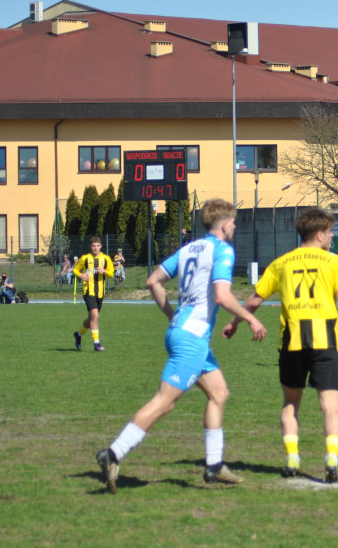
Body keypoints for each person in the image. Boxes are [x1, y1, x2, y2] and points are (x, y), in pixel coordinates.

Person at [96, 199, 266, 494]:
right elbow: (223, 296)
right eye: (234, 222)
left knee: (219, 393)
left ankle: (214, 466)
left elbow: (153, 281)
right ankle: (113, 454)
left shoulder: (189, 248)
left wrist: (173, 316)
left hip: (183, 332)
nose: (235, 227)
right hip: (192, 338)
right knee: (165, 402)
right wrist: (250, 319)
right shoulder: (222, 249)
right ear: (225, 224)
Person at [222, 208, 338, 483]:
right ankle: (331, 458)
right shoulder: (333, 262)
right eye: (330, 232)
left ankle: (292, 457)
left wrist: (236, 322)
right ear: (319, 234)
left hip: (291, 342)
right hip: (326, 342)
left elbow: (254, 300)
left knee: (290, 403)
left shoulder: (282, 263)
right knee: (330, 406)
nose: (331, 237)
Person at [72, 237, 115, 351]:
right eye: (93, 246)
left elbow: (111, 274)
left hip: (100, 293)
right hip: (88, 292)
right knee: (95, 316)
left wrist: (104, 271)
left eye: (97, 245)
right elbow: (75, 270)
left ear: (101, 246)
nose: (95, 248)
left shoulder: (106, 259)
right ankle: (96, 344)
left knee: (91, 318)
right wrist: (81, 275)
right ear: (90, 247)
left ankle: (79, 335)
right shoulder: (85, 258)